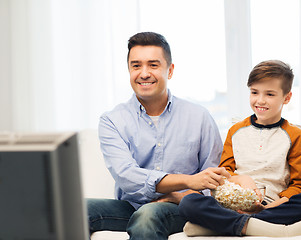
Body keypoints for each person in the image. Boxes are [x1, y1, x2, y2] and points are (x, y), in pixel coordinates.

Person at [86, 32, 230, 240]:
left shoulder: (199, 117)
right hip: (131, 207)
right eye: (136, 66)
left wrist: (177, 195)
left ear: (169, 71)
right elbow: (127, 176)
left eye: (153, 65)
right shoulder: (112, 120)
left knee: (148, 215)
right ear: (129, 70)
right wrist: (189, 180)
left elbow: (213, 180)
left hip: (183, 207)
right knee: (74, 209)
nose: (144, 73)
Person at [179, 60, 301, 237]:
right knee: (189, 202)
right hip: (234, 204)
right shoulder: (235, 131)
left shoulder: (296, 135)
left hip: (271, 204)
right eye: (254, 92)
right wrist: (241, 179)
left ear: (286, 98)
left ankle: (221, 225)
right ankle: (274, 229)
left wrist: (274, 204)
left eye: (270, 94)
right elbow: (224, 171)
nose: (260, 100)